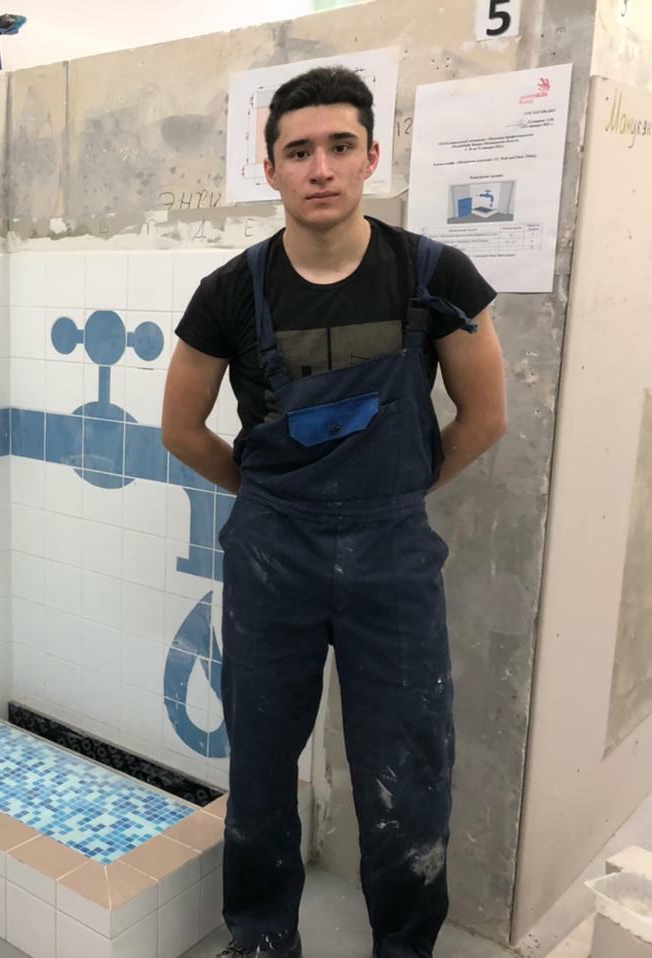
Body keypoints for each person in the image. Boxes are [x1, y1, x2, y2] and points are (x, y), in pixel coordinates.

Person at [161, 66, 507, 958]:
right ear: (270, 168)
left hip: (393, 553)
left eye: (340, 146)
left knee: (408, 764)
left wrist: (398, 495)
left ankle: (405, 946)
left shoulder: (434, 274)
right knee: (261, 759)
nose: (320, 168)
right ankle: (262, 935)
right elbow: (181, 428)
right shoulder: (229, 291)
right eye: (299, 150)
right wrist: (268, 499)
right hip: (273, 553)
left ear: (371, 157)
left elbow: (484, 418)